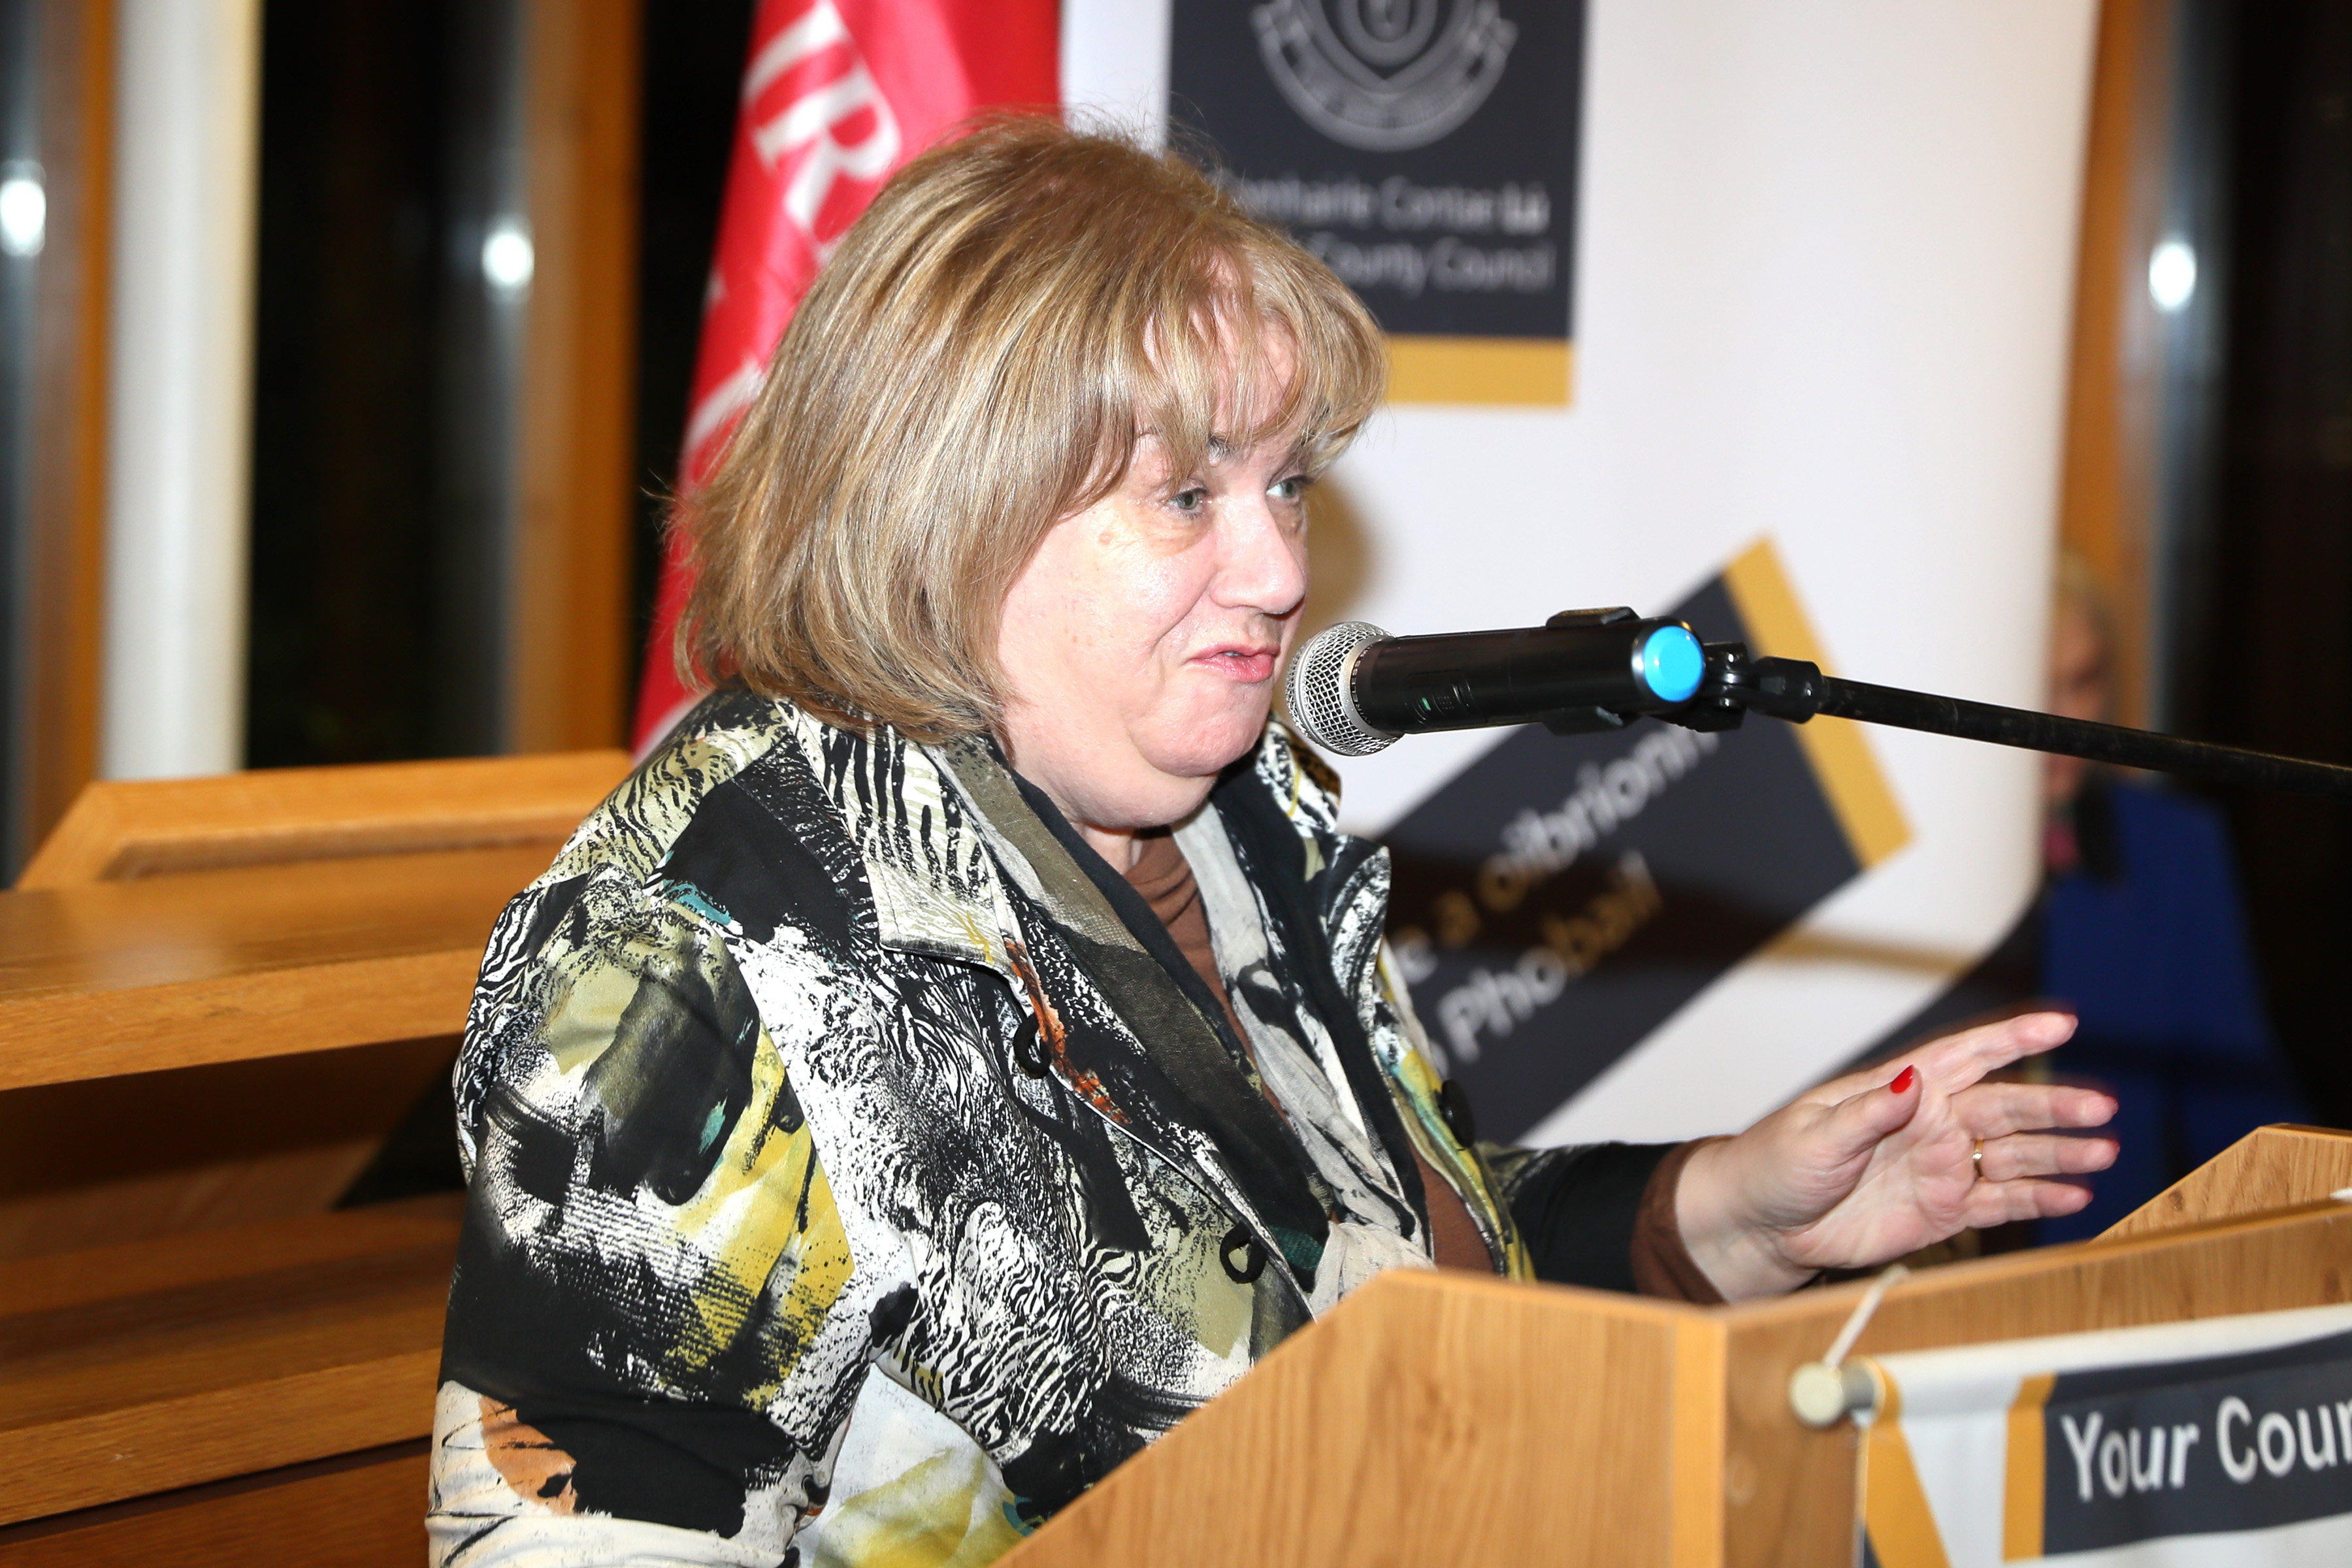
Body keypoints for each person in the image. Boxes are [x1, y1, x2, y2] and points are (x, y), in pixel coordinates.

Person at [426, 120, 2115, 1567]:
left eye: (1288, 485)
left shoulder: (1241, 823)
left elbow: (1382, 1274)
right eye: (1189, 497)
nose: (1283, 572)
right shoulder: (699, 949)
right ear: (953, 501)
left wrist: (1728, 1216)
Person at [2031, 559, 2307, 1241]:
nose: (2060, 722)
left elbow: (2240, 1108)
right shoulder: (1912, 873)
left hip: (2120, 1267)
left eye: (2082, 682)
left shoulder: (2172, 847)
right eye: (2034, 688)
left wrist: (2321, 1208)